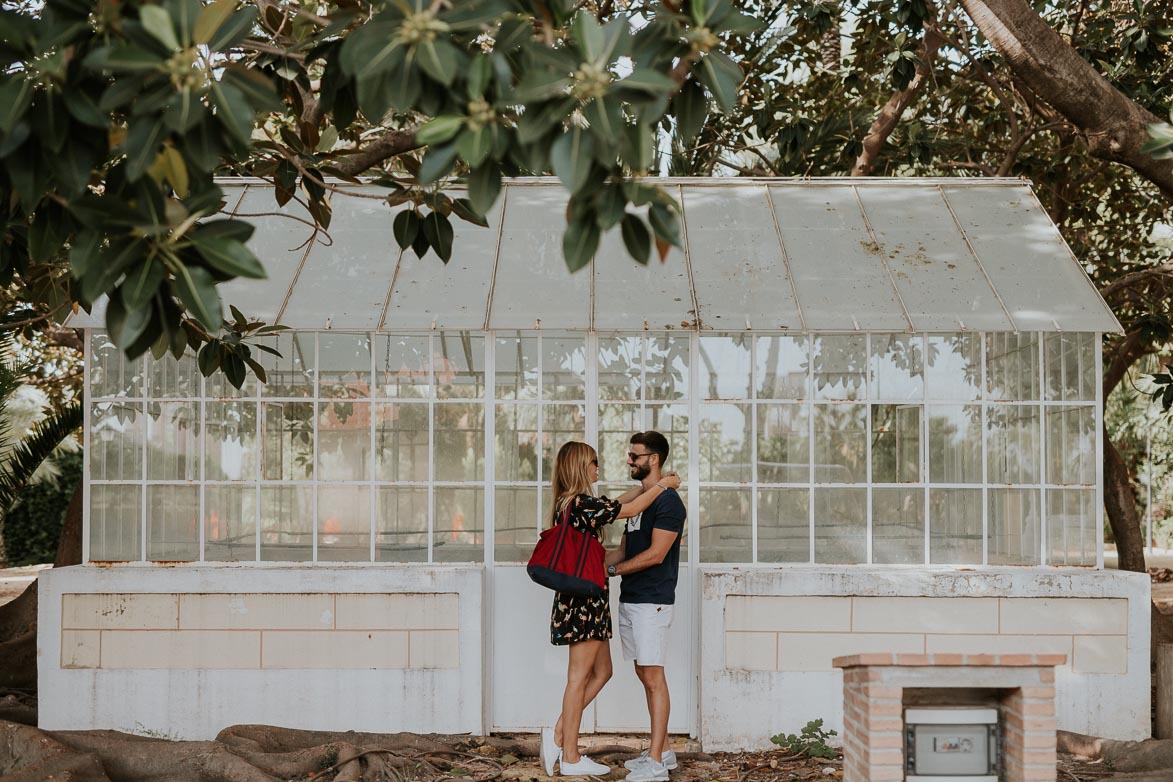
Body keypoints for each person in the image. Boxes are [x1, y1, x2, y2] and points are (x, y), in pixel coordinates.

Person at [540, 441, 682, 777]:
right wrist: (662, 485)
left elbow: (618, 503)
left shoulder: (575, 503)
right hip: (583, 603)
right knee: (578, 678)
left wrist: (647, 488)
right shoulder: (579, 503)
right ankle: (570, 754)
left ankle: (559, 734)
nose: (598, 467)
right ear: (579, 467)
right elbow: (628, 511)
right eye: (593, 462)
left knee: (603, 672)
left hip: (591, 600)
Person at [608, 431, 686, 782]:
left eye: (635, 456)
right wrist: (592, 563)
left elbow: (656, 555)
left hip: (652, 601)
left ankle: (655, 763)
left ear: (653, 459)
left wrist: (612, 570)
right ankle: (664, 750)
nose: (630, 460)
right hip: (632, 598)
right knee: (644, 673)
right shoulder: (643, 499)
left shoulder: (669, 504)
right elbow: (625, 549)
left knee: (654, 677)